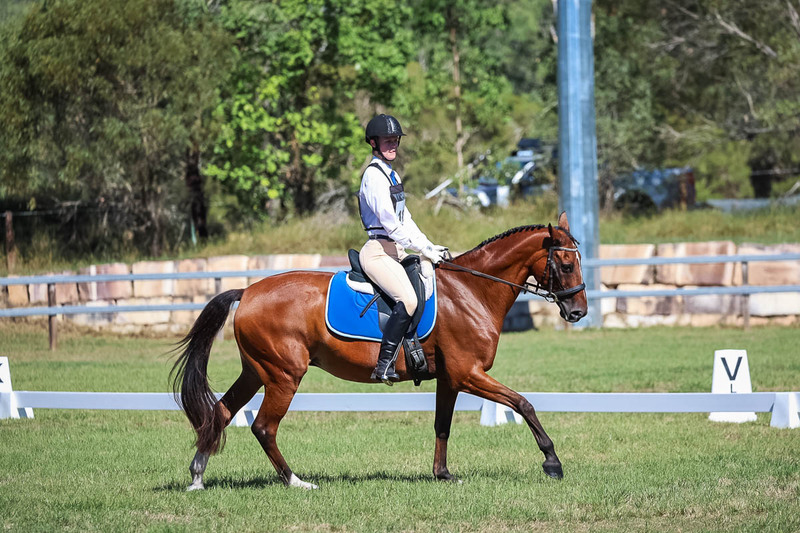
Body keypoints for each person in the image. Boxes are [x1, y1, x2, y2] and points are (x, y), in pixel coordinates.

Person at [358, 114, 449, 385]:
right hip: (378, 251)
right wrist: (422, 247)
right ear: (373, 143)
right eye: (387, 140)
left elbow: (405, 219)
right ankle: (384, 364)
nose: (393, 145)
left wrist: (429, 246)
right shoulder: (373, 177)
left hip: (396, 251)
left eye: (395, 140)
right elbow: (391, 225)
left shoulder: (392, 175)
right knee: (408, 300)